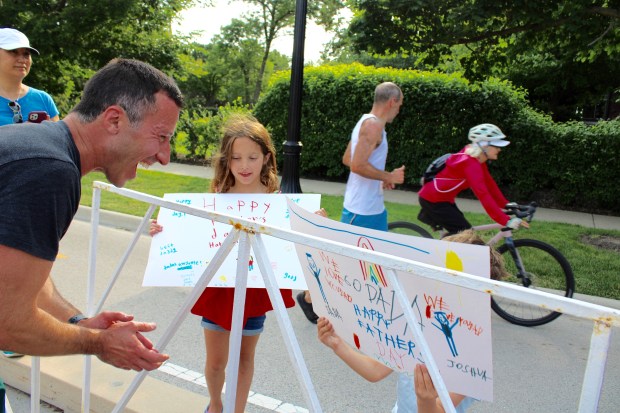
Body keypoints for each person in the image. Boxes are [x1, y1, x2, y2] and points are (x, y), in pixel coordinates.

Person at [0, 58, 183, 372]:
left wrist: (80, 323)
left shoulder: (40, 147)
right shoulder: (49, 170)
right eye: (161, 137)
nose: (164, 157)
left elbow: (19, 278)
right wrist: (99, 343)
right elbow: (8, 322)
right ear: (114, 120)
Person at [149, 114, 326, 413]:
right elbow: (192, 232)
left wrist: (314, 223)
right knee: (217, 363)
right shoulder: (217, 196)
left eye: (252, 157)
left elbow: (294, 237)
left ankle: (237, 409)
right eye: (236, 158)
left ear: (266, 158)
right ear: (226, 161)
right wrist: (163, 228)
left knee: (245, 358)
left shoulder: (278, 200)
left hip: (256, 289)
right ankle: (216, 405)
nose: (244, 165)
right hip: (221, 289)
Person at [316, 230, 507, 412]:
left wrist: (426, 399)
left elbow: (440, 409)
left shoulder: (473, 353)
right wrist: (337, 344)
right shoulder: (415, 323)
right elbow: (375, 370)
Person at [297, 81, 405, 324]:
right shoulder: (373, 126)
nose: (399, 109)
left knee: (375, 264)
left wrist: (379, 178)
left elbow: (348, 158)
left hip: (372, 207)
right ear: (392, 101)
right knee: (347, 263)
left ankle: (370, 311)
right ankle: (309, 297)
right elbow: (356, 164)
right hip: (361, 210)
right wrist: (388, 176)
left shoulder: (365, 122)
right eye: (400, 104)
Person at [418, 123, 529, 236]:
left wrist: (505, 204)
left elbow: (490, 184)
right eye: (496, 145)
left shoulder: (477, 159)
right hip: (433, 200)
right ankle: (439, 252)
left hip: (444, 199)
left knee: (463, 234)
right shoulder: (470, 163)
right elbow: (483, 194)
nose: (499, 149)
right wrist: (505, 220)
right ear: (484, 146)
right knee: (467, 235)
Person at [0, 28, 60, 125]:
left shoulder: (43, 99)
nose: (22, 59)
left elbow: (60, 139)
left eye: (26, 54)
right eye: (13, 52)